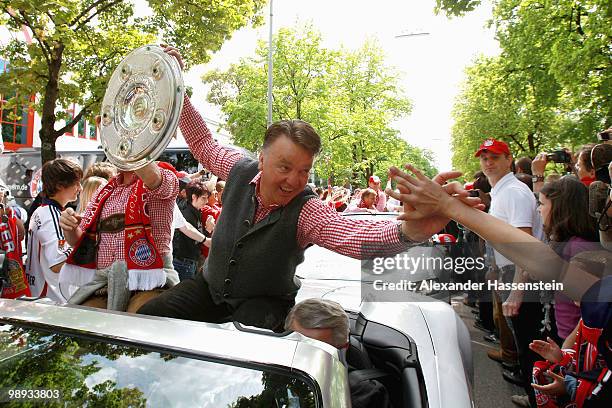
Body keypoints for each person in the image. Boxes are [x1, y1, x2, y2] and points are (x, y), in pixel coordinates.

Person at [137, 45, 481, 331]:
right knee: (150, 318)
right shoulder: (239, 168)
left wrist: (411, 230)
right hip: (208, 289)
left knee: (248, 348)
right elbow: (202, 143)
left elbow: (351, 234)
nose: (294, 180)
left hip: (264, 305)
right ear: (261, 158)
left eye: (304, 170)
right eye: (285, 167)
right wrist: (175, 84)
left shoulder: (307, 208)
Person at [59, 157, 179, 312]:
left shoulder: (164, 176)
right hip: (105, 284)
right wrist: (69, 227)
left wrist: (134, 148)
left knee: (144, 317)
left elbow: (153, 177)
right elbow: (78, 241)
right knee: (81, 322)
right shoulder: (104, 191)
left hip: (151, 282)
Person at [25, 159, 83, 302]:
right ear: (59, 185)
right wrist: (84, 243)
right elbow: (57, 263)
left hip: (41, 296)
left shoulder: (42, 211)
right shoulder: (52, 216)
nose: (80, 188)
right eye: (76, 183)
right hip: (52, 300)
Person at [173, 180, 208, 281]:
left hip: (189, 262)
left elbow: (198, 237)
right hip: (184, 263)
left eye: (206, 198)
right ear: (193, 197)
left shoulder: (196, 212)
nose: (206, 202)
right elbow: (196, 240)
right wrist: (208, 231)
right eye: (203, 198)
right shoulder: (187, 215)